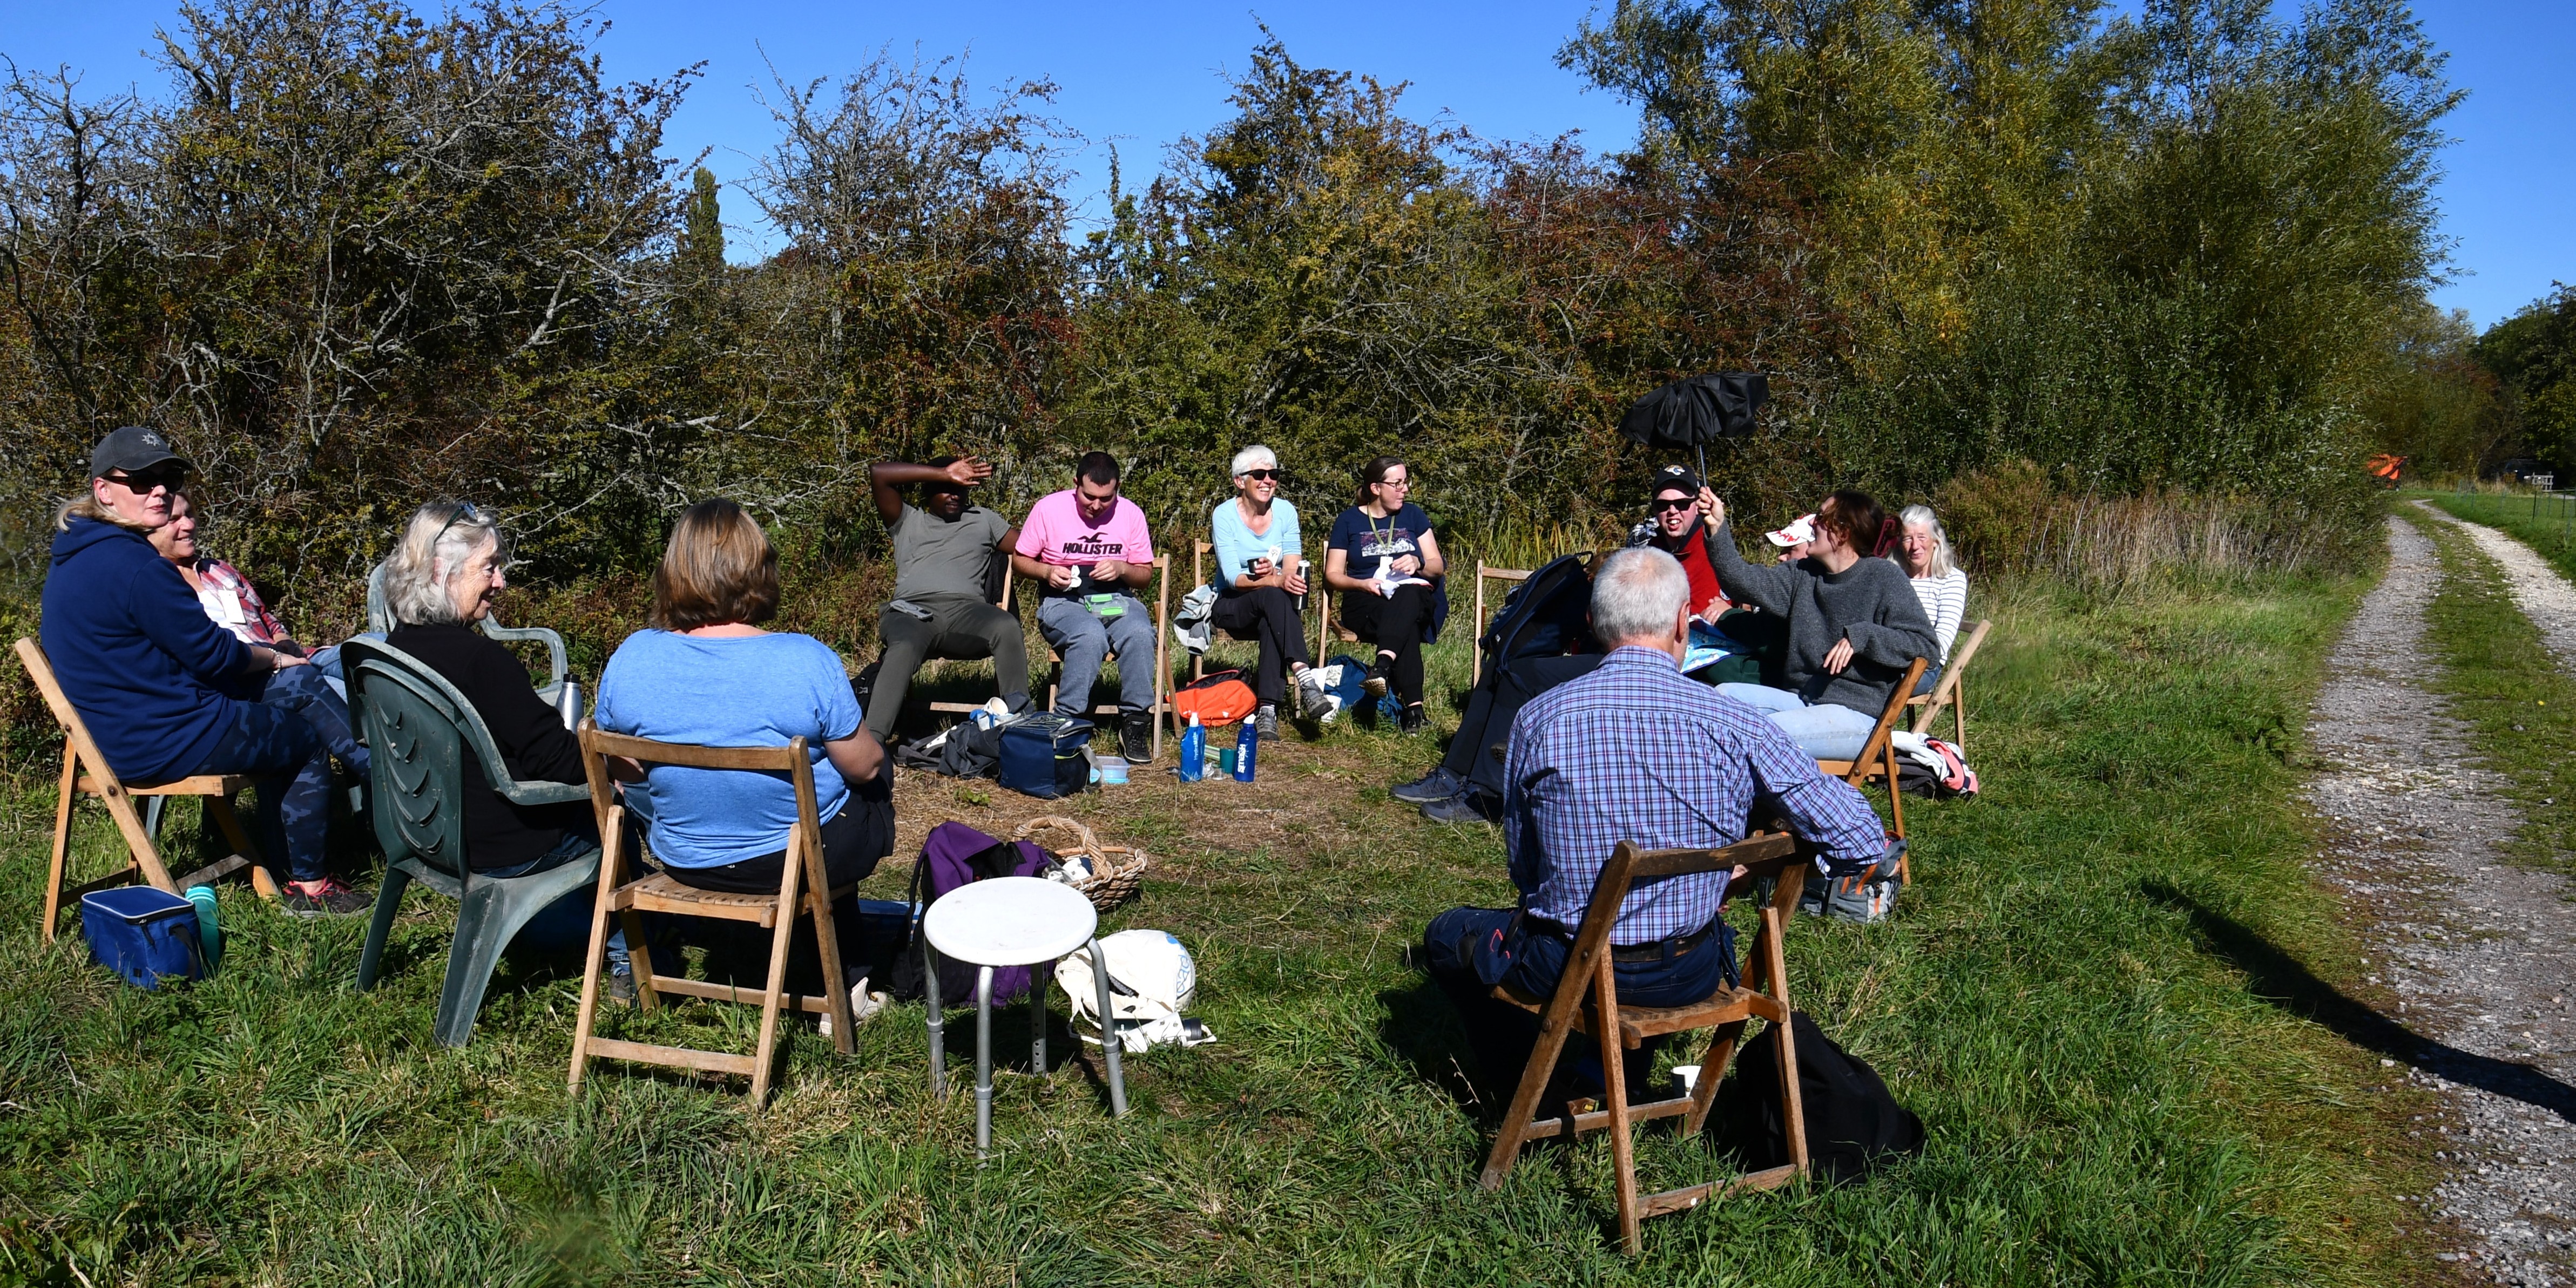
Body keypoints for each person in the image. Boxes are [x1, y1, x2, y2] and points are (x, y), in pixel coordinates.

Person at [1418, 548, 1886, 1100]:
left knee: (1447, 934)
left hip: (1569, 965)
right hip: (1687, 969)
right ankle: (1606, 1074)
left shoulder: (1541, 717)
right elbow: (1861, 838)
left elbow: (1525, 870)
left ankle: (1526, 1082)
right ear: (1683, 621)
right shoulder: (1734, 720)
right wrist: (1757, 858)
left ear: (1592, 624)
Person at [40, 427, 363, 914]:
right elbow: (217, 655)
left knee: (284, 707)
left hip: (121, 736)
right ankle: (311, 887)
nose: (160, 490)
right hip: (170, 736)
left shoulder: (74, 559)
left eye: (168, 477)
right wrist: (275, 658)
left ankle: (294, 861)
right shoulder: (136, 565)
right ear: (103, 490)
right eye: (143, 480)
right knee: (303, 737)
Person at [596, 499, 893, 1013]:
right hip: (792, 864)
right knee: (869, 786)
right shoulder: (804, 659)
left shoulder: (633, 657)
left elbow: (624, 772)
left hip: (684, 857)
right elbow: (863, 766)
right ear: (759, 568)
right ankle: (847, 982)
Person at [381, 501, 594, 879]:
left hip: (427, 837)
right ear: (440, 572)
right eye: (489, 567)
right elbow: (557, 761)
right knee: (614, 815)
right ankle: (631, 932)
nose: (500, 582)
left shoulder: (394, 651)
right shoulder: (480, 661)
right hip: (507, 845)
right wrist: (616, 761)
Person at [148, 491, 368, 786]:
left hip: (289, 655)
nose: (187, 525)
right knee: (344, 692)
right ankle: (384, 785)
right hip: (247, 674)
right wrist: (279, 660)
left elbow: (266, 617)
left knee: (369, 651)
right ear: (151, 527)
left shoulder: (218, 569)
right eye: (174, 519)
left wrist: (285, 642)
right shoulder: (158, 583)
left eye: (189, 515)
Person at [1703, 489, 1939, 760]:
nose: (1813, 523)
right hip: (1801, 701)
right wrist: (1717, 528)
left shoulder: (1883, 578)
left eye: (1821, 517)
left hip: (1858, 717)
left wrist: (1863, 637)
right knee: (1719, 699)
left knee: (1766, 736)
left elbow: (1926, 649)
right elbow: (1740, 581)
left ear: (1844, 532)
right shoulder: (1803, 574)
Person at [861, 455, 1029, 740]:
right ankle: (872, 745)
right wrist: (943, 473)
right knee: (901, 648)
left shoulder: (984, 520)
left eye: (961, 488)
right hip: (911, 613)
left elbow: (1030, 546)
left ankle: (1019, 728)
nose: (955, 494)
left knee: (1006, 626)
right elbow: (879, 474)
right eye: (947, 487)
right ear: (929, 491)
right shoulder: (907, 520)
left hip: (967, 613)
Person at [1012, 452, 1160, 764]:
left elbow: (1145, 575)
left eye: (1106, 499)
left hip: (1116, 598)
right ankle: (1067, 721)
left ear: (1117, 489)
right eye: (1089, 497)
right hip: (1063, 601)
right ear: (1076, 484)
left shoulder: (1131, 514)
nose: (1096, 506)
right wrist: (1047, 571)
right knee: (1090, 634)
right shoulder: (1048, 509)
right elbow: (1020, 559)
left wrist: (1122, 568)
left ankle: (1135, 722)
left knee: (1139, 632)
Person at [1207, 445, 1333, 740]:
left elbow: (1292, 564)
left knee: (1274, 608)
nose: (1268, 481)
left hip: (1271, 608)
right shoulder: (1224, 515)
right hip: (1231, 603)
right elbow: (1233, 577)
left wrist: (1280, 577)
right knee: (1274, 597)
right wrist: (1274, 581)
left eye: (1273, 474)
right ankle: (1304, 678)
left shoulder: (1286, 511)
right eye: (1260, 474)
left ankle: (1267, 712)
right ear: (1240, 481)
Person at [1323, 456, 1446, 734]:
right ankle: (1414, 712)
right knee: (1406, 625)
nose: (1404, 489)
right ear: (1376, 488)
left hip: (1412, 594)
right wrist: (1362, 584)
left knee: (1409, 594)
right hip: (1367, 598)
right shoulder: (1349, 520)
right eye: (1398, 483)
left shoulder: (1413, 515)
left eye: (1406, 482)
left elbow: (1436, 565)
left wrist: (1418, 564)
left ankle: (1382, 666)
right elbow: (1332, 574)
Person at [1893, 504, 1968, 675]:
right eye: (1908, 539)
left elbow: (1940, 643)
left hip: (1924, 668)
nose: (1915, 546)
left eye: (1922, 537)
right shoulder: (1894, 577)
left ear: (1936, 541)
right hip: (1887, 660)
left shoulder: (1952, 579)